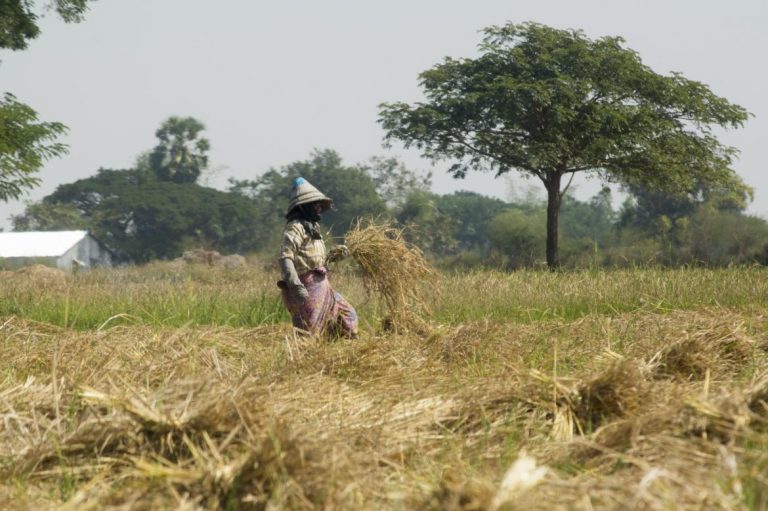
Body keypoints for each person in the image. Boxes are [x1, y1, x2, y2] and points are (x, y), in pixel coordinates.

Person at [277, 177, 358, 338]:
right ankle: (308, 359)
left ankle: (339, 351)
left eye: (320, 205)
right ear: (303, 207)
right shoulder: (296, 228)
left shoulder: (313, 229)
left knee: (347, 315)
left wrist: (333, 256)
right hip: (306, 288)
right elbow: (286, 257)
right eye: (315, 205)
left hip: (322, 286)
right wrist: (295, 285)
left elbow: (314, 259)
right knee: (309, 332)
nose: (319, 208)